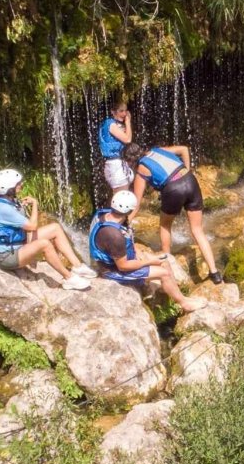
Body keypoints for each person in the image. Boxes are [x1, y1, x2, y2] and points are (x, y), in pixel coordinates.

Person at [123, 141, 224, 284]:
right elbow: (184, 149)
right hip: (190, 180)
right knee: (197, 230)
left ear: (130, 159)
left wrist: (124, 222)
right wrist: (187, 170)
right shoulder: (157, 150)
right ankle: (214, 273)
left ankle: (168, 263)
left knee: (165, 226)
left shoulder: (141, 168)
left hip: (173, 189)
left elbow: (137, 204)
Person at [89, 190, 206, 311]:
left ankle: (181, 296)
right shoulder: (113, 235)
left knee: (164, 262)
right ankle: (184, 304)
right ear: (130, 211)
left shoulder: (106, 214)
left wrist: (139, 253)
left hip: (119, 258)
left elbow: (126, 234)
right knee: (164, 273)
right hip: (111, 271)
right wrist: (148, 261)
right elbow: (123, 266)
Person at [0, 168, 93, 290]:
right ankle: (69, 278)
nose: (21, 185)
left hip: (17, 245)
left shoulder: (8, 200)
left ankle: (78, 266)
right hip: (6, 257)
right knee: (44, 244)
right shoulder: (2, 208)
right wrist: (35, 205)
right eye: (18, 184)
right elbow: (32, 226)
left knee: (55, 228)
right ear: (8, 188)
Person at [98, 96, 134, 192]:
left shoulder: (112, 124)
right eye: (121, 111)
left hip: (116, 164)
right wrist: (128, 122)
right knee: (121, 199)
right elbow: (128, 139)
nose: (124, 113)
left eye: (125, 111)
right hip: (115, 165)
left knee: (120, 197)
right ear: (113, 112)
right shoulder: (110, 124)